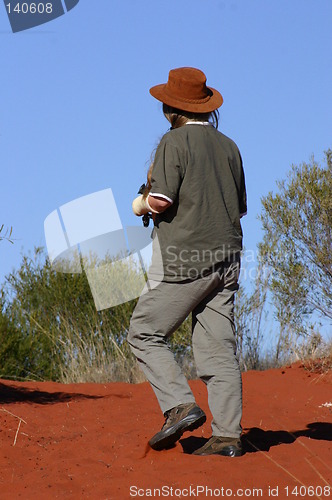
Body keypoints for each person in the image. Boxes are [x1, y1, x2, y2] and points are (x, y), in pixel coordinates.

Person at [128, 67, 247, 457]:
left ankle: (180, 405)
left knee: (143, 332)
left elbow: (161, 201)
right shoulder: (229, 146)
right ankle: (228, 436)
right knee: (217, 349)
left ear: (170, 108)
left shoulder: (173, 141)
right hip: (228, 259)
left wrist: (141, 203)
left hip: (184, 258)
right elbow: (239, 208)